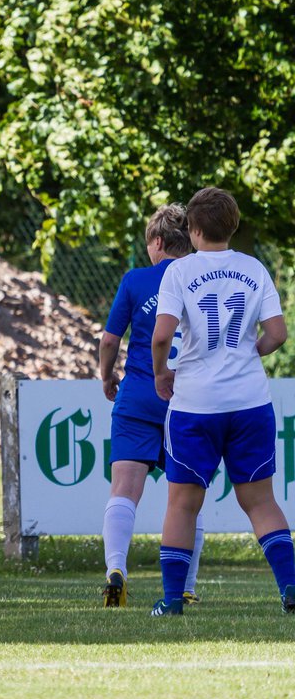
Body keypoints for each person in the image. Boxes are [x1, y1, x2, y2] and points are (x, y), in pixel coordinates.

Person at [149, 187, 292, 616]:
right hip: (250, 401)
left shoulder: (179, 272)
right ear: (232, 226)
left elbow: (161, 335)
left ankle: (172, 601)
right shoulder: (254, 268)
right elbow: (278, 333)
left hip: (196, 403)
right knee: (261, 501)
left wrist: (161, 373)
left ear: (192, 229)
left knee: (183, 502)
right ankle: (290, 588)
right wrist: (252, 354)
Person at [97, 205, 202, 607]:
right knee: (189, 496)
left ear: (157, 242)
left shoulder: (137, 280)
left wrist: (107, 377)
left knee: (124, 487)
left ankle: (116, 568)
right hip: (188, 399)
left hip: (139, 394)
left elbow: (109, 340)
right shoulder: (202, 278)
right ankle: (187, 586)